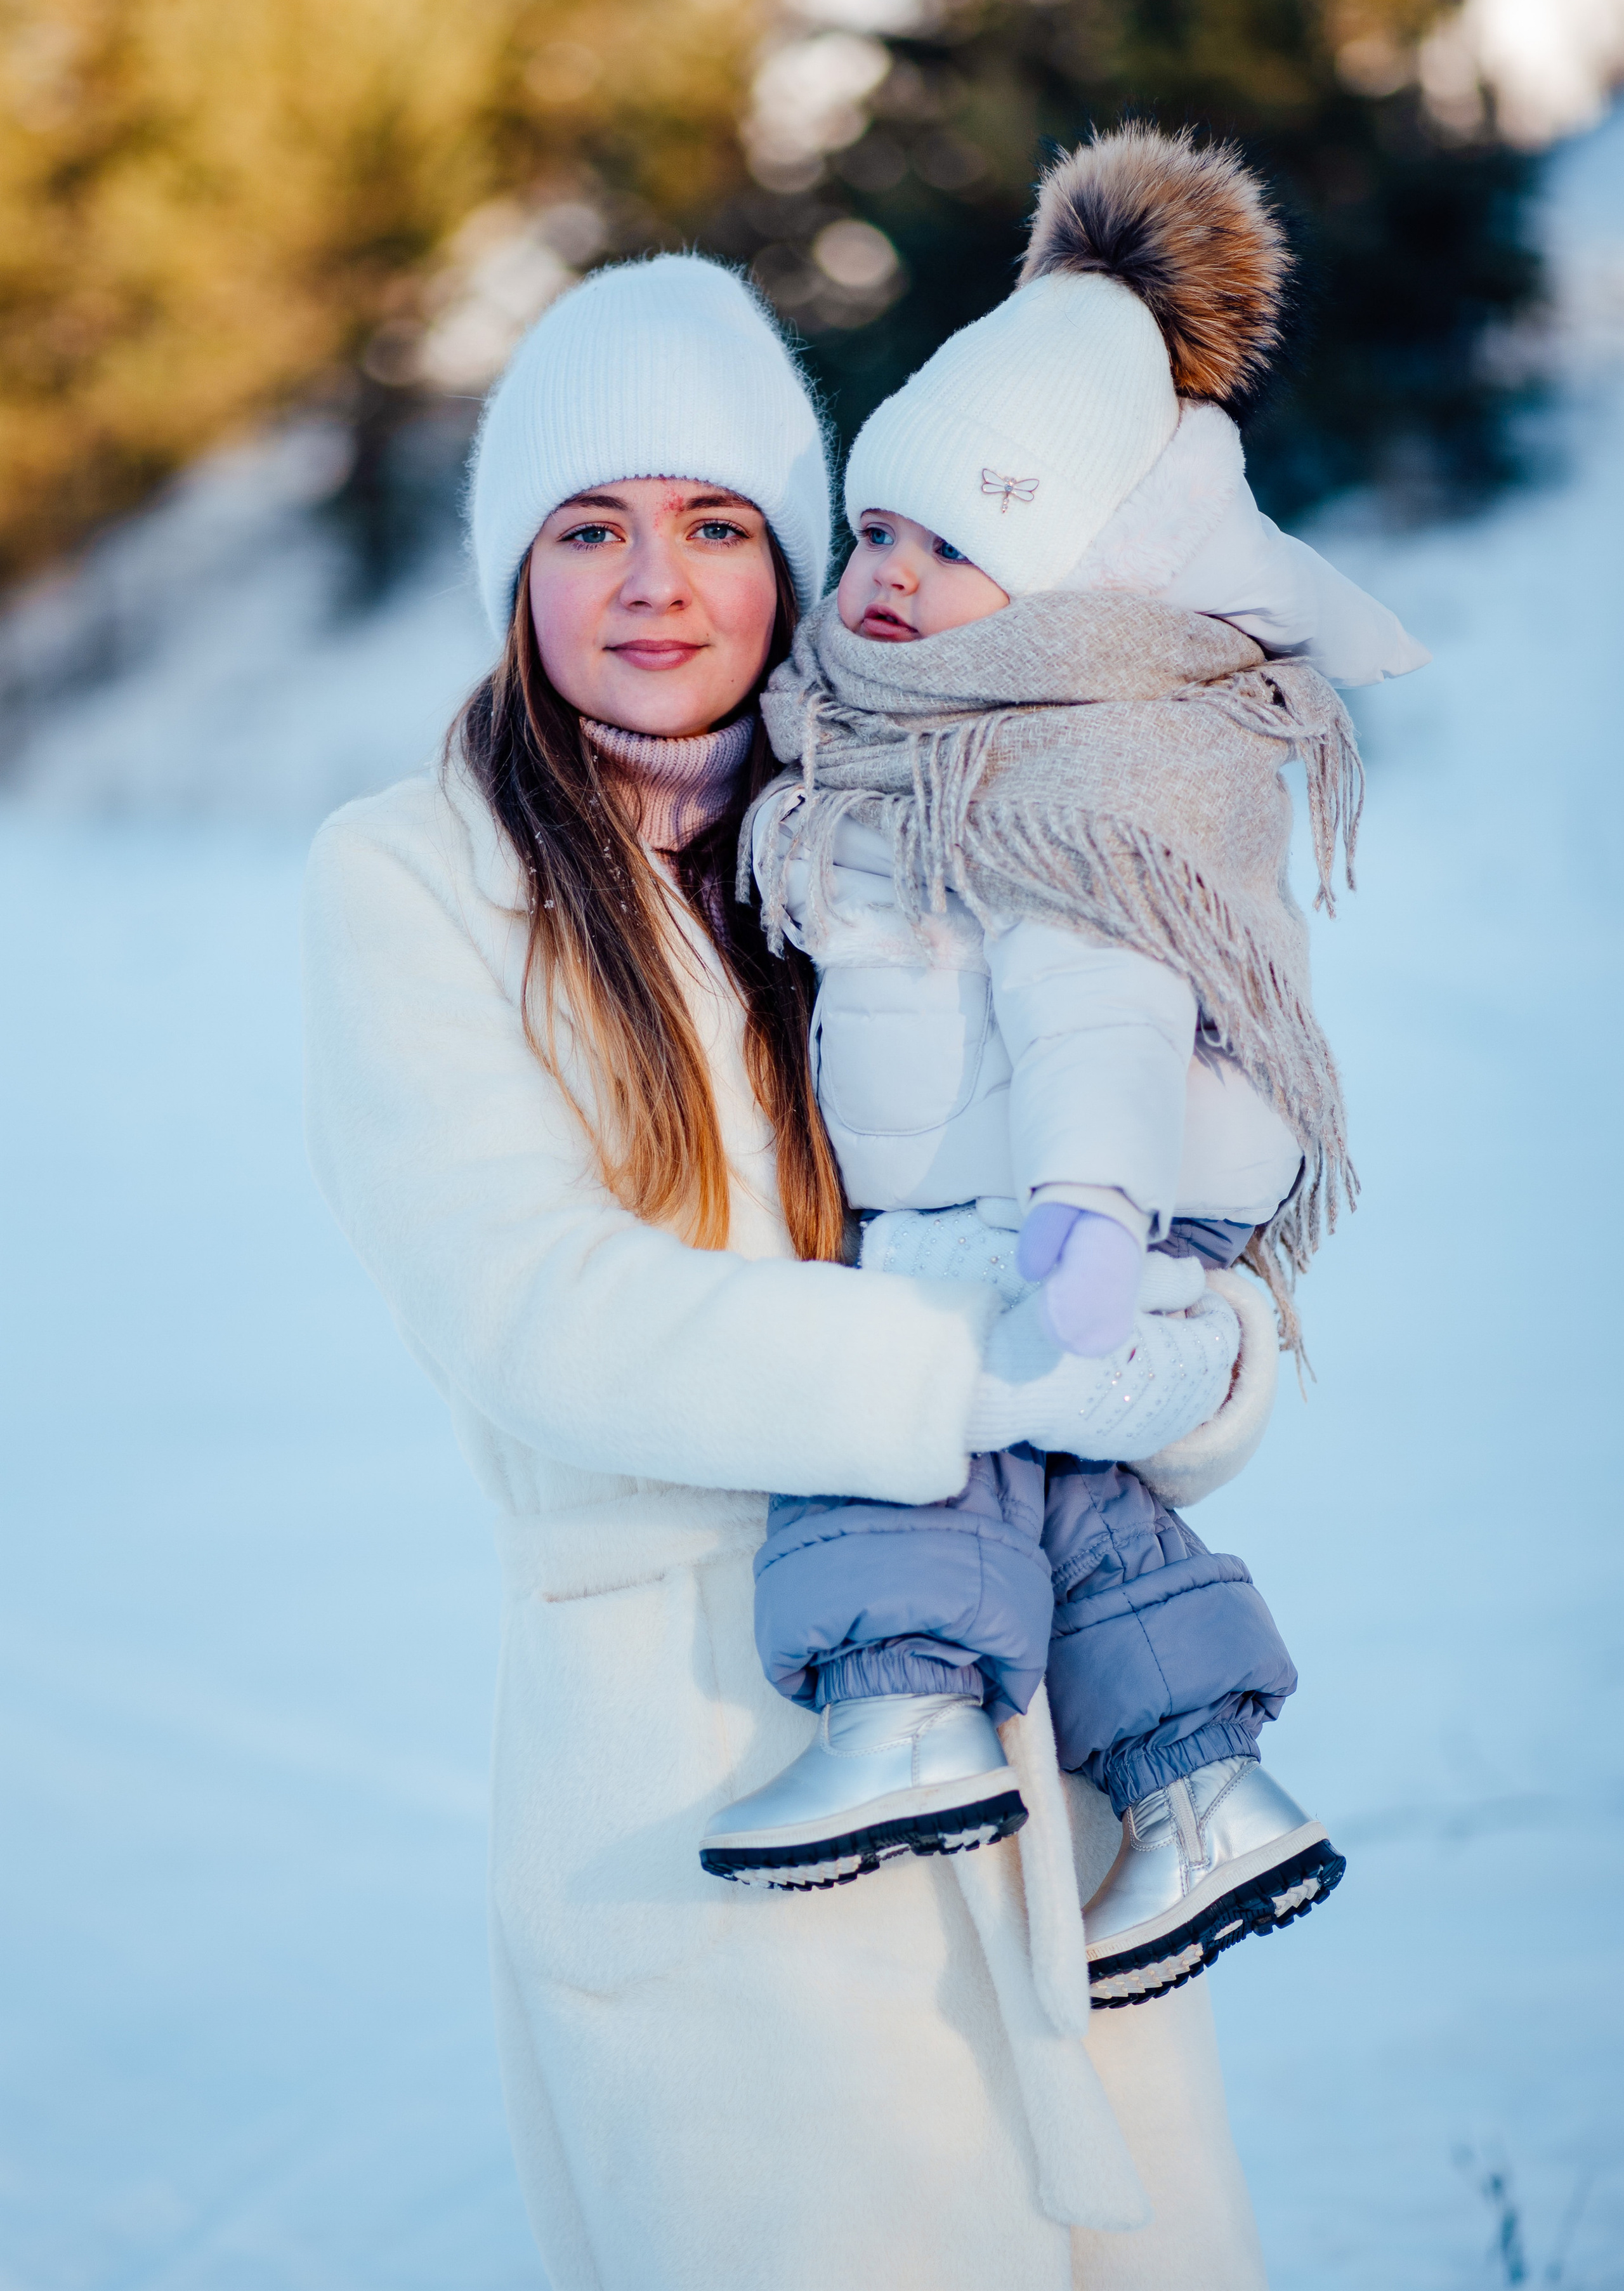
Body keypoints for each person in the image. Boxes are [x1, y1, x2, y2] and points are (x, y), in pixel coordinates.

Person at [303, 251, 1281, 2286]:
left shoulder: (932, 822)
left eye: (717, 523)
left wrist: (1212, 1360)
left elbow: (1160, 1165)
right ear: (517, 570)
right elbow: (536, 1311)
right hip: (698, 1795)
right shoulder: (416, 880)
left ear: (795, 560)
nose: (657, 579)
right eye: (593, 525)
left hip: (1023, 1777)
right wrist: (981, 1372)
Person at [711, 129, 1425, 2011]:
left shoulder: (1041, 782)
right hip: (1000, 1202)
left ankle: (902, 1713)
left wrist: (1089, 1212)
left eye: (955, 547)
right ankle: (1203, 1783)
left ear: (1054, 581)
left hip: (1020, 1218)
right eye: (873, 529)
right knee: (1092, 1518)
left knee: (887, 1443)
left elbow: (1101, 1005)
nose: (884, 575)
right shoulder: (900, 744)